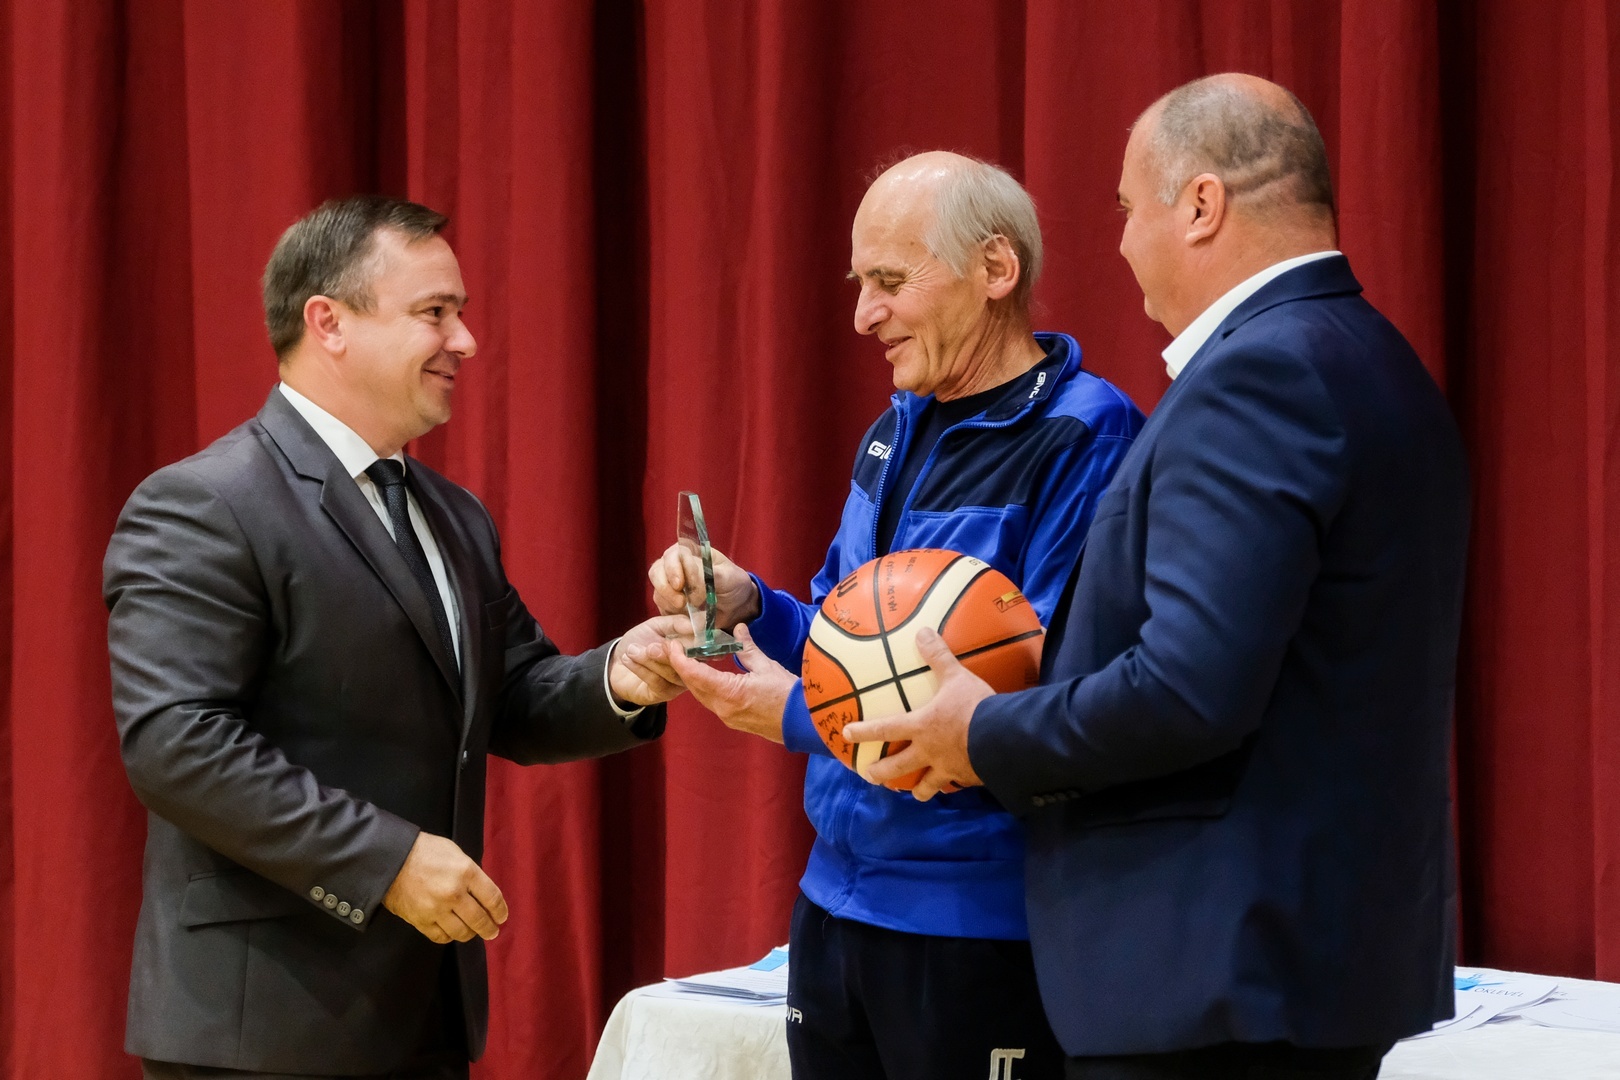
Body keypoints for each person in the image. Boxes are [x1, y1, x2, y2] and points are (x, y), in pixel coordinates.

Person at [845, 76, 1471, 1079]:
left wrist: (983, 732)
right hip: (1304, 959)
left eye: (1131, 210)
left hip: (1215, 978)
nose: (1125, 244)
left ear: (1202, 205)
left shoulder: (1258, 377)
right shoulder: (1374, 356)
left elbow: (1187, 690)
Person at [104, 196, 683, 1080]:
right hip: (262, 1030)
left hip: (423, 1015)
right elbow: (177, 745)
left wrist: (625, 676)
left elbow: (514, 696)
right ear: (328, 323)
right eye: (434, 313)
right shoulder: (204, 504)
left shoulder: (453, 514)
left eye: (459, 313)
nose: (466, 341)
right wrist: (389, 862)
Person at [636, 152, 1144, 1080]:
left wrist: (793, 715)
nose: (863, 315)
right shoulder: (893, 428)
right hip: (834, 907)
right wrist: (751, 605)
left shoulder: (1087, 434)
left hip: (982, 923)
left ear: (996, 270)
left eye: (889, 281)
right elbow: (840, 636)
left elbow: (1039, 694)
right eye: (858, 284)